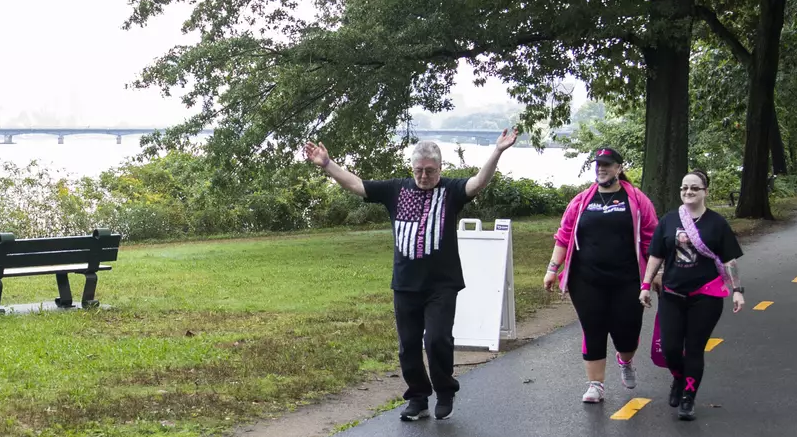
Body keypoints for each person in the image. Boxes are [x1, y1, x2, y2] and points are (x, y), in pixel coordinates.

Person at [304, 129, 519, 421]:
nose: (424, 176)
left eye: (430, 171)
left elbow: (478, 183)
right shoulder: (398, 189)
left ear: (440, 169)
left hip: (442, 284)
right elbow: (356, 185)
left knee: (437, 339)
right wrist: (328, 164)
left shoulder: (450, 191)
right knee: (408, 344)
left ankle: (445, 391)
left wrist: (497, 152)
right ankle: (417, 397)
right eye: (418, 170)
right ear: (412, 169)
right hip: (405, 284)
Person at [543, 147, 658, 404]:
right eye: (598, 165)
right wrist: (552, 270)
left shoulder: (637, 200)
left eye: (607, 165)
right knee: (593, 327)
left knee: (626, 332)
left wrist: (654, 274)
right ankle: (595, 385)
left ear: (619, 167)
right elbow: (564, 236)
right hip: (586, 279)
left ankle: (625, 360)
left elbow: (652, 238)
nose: (602, 169)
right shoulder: (582, 200)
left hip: (628, 279)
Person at [640, 170, 746, 421]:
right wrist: (645, 285)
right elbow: (656, 255)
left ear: (705, 192)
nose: (689, 192)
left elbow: (729, 260)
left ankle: (688, 397)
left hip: (705, 296)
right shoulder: (668, 221)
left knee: (695, 349)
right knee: (671, 348)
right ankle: (678, 378)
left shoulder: (717, 223)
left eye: (695, 188)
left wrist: (737, 290)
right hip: (672, 294)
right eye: (684, 188)